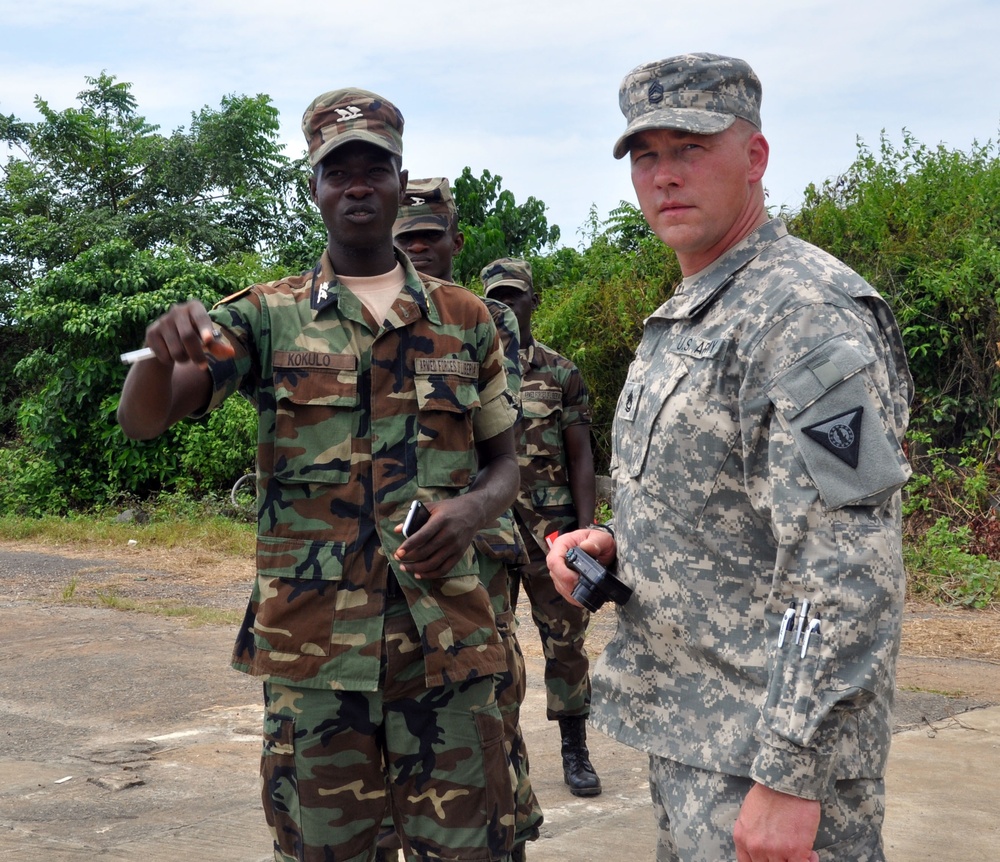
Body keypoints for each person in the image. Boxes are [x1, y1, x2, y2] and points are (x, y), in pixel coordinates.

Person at [118, 88, 521, 862]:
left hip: (449, 642)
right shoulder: (263, 319)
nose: (358, 185)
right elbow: (147, 418)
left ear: (403, 183)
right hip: (315, 659)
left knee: (473, 849)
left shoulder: (466, 318)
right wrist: (159, 354)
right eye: (340, 172)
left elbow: (504, 462)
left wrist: (471, 512)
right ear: (316, 189)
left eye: (376, 168)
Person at [547, 53, 912, 862]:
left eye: (691, 148)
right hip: (695, 742)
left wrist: (789, 775)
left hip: (768, 766)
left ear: (755, 158)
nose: (665, 176)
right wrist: (613, 543)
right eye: (646, 155)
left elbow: (847, 567)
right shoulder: (701, 307)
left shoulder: (802, 315)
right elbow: (730, 505)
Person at [388, 178, 544, 860]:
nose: (418, 250)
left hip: (478, 548)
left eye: (429, 238)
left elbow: (500, 448)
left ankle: (506, 827)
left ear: (456, 242)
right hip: (396, 553)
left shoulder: (484, 319)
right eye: (406, 240)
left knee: (491, 695)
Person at [482, 258, 601, 798]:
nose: (505, 305)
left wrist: (586, 531)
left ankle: (575, 750)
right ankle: (505, 761)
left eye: (515, 296)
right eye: (495, 297)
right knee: (492, 649)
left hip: (552, 536)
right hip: (491, 534)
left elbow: (581, 458)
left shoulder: (560, 372)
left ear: (533, 301)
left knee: (567, 646)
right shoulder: (471, 370)